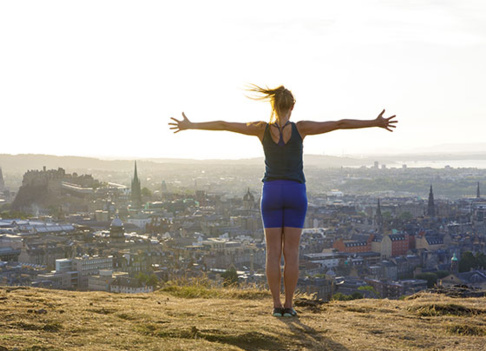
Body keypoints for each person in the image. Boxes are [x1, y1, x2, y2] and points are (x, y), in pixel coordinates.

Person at [169, 85, 397, 317]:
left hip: (271, 192)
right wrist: (374, 122)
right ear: (292, 106)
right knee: (292, 253)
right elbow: (340, 123)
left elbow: (225, 125)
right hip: (296, 191)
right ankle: (290, 305)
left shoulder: (261, 129)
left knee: (272, 253)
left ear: (273, 106)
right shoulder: (302, 128)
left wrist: (191, 125)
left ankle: (276, 305)